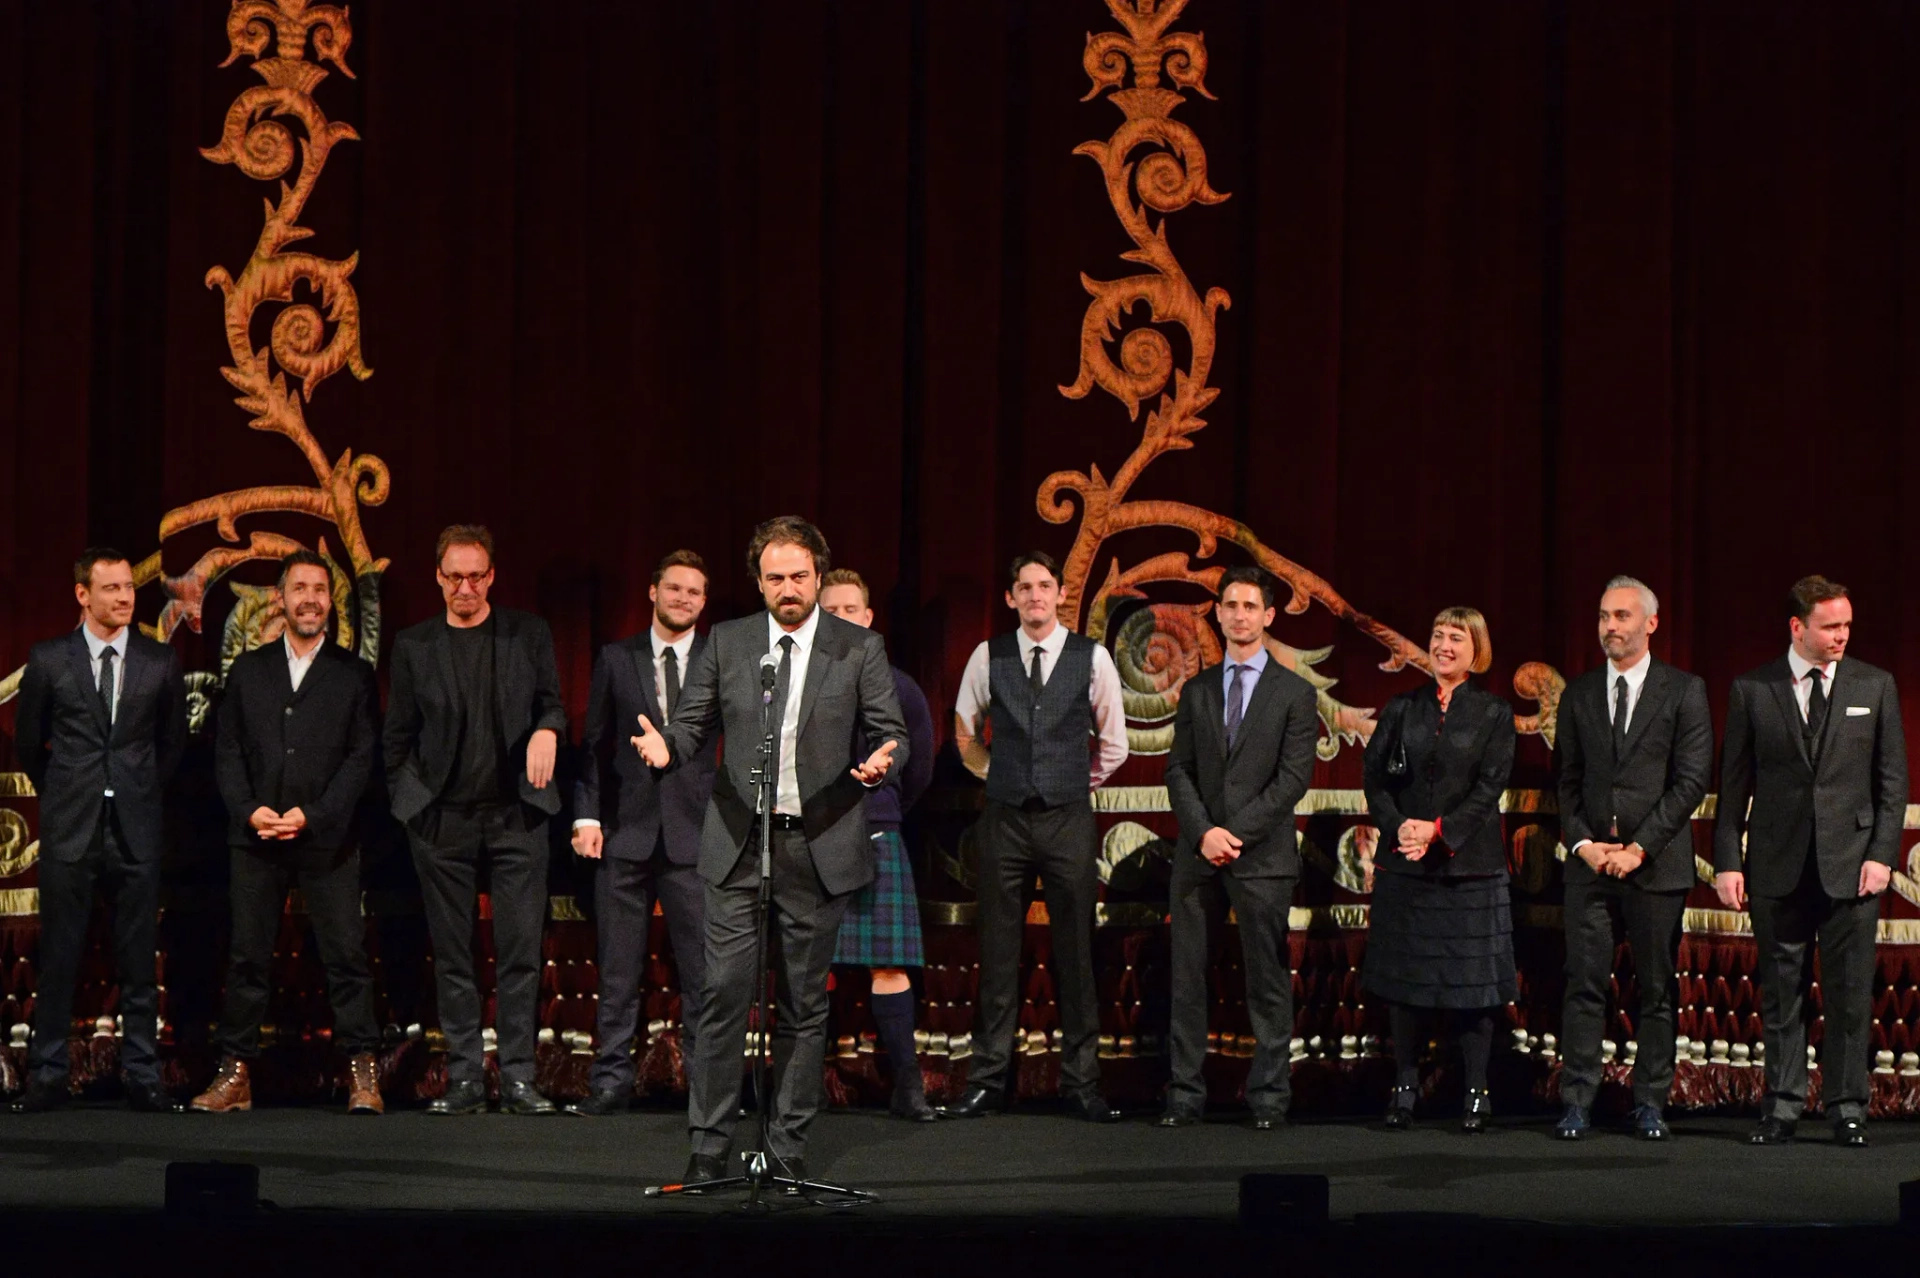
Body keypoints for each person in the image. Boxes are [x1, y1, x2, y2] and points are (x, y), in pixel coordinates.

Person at [632, 516, 907, 1188]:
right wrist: (669, 747)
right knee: (724, 993)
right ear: (758, 582)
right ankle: (708, 1146)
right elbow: (693, 721)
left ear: (818, 575)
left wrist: (881, 762)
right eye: (775, 577)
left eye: (799, 576)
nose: (788, 588)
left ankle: (786, 1147)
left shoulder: (857, 647)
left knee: (805, 1005)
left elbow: (889, 729)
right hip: (738, 844)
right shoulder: (729, 643)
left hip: (818, 848)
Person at [1713, 576, 1906, 1148]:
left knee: (1849, 994)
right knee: (1780, 991)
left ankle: (1848, 1106)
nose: (1842, 635)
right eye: (1831, 626)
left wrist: (1882, 857)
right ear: (1797, 627)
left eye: (1847, 624)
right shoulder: (1753, 688)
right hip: (1776, 864)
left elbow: (1892, 783)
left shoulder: (1875, 686)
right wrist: (1728, 861)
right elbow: (1733, 786)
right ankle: (1782, 1105)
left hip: (1853, 868)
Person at [193, 549, 385, 1115]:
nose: (309, 599)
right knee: (248, 957)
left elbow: (361, 759)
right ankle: (235, 1074)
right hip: (254, 837)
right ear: (280, 597)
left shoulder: (354, 675)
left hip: (326, 839)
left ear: (331, 602)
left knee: (346, 956)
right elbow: (226, 752)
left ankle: (362, 1073)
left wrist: (315, 814)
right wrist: (250, 809)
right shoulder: (249, 671)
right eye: (299, 588)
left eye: (319, 590)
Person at [940, 551, 1130, 1122]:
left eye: (1044, 586)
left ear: (1061, 593)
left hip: (1067, 818)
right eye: (1024, 587)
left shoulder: (1091, 657)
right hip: (1004, 820)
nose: (1035, 596)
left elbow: (1115, 744)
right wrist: (998, 776)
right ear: (1011, 597)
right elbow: (965, 731)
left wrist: (1070, 782)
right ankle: (988, 1081)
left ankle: (1081, 1084)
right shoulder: (988, 654)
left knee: (1075, 951)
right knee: (998, 953)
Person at [384, 525, 567, 1116]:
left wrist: (547, 730)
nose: (466, 586)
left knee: (519, 952)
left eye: (476, 575)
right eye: (454, 576)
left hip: (517, 815)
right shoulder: (414, 646)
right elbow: (397, 737)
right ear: (438, 578)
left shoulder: (527, 634)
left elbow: (553, 704)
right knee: (454, 954)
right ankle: (464, 1079)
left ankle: (517, 1078)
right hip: (442, 820)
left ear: (492, 576)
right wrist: (409, 805)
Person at [11, 547, 187, 1114]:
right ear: (83, 594)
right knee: (60, 959)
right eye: (111, 588)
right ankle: (48, 1074)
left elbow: (171, 745)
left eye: (129, 587)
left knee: (138, 961)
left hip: (135, 828)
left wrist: (135, 790)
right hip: (71, 829)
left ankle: (142, 1074)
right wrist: (69, 791)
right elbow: (29, 744)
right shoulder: (49, 660)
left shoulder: (159, 662)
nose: (125, 597)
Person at [1159, 566, 1319, 1131]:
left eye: (1250, 606)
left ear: (1268, 616)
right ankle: (1184, 1096)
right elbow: (1177, 769)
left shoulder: (1296, 693)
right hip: (1198, 858)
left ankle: (1270, 1099)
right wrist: (1204, 832)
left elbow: (1292, 779)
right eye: (1230, 605)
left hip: (1263, 861)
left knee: (1267, 983)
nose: (1240, 614)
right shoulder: (1198, 689)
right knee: (1187, 981)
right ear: (1219, 613)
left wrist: (1236, 834)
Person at [1552, 576, 1711, 1141]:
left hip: (1657, 866)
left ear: (1650, 623)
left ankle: (1650, 1103)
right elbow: (1566, 784)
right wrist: (1585, 845)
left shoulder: (1684, 691)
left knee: (1656, 988)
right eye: (1602, 616)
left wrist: (1640, 848)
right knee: (1585, 985)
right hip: (1590, 866)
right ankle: (1577, 1100)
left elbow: (1691, 782)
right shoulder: (1579, 694)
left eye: (1621, 616)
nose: (1610, 627)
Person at [567, 550, 718, 1116]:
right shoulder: (616, 657)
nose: (683, 599)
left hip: (696, 839)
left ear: (704, 602)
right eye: (673, 588)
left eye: (694, 592)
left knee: (704, 975)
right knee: (619, 968)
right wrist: (586, 815)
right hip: (625, 836)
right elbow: (595, 747)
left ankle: (708, 1088)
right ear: (652, 592)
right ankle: (610, 1081)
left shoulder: (719, 658)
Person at [1362, 606, 1517, 1133]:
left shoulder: (1494, 714)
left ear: (1477, 649)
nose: (1444, 645)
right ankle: (1404, 1090)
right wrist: (1400, 827)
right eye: (1437, 635)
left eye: (1456, 637)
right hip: (1405, 870)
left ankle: (1476, 1092)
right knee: (1406, 984)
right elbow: (1375, 780)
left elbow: (1488, 790)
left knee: (1473, 988)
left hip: (1469, 871)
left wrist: (1437, 831)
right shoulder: (1402, 708)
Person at [819, 568, 938, 1121]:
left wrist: (883, 811)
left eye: (851, 610)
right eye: (832, 610)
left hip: (874, 834)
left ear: (869, 620)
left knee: (887, 965)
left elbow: (918, 768)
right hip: (811, 838)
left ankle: (907, 1087)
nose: (842, 618)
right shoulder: (795, 685)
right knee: (805, 965)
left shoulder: (899, 686)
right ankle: (800, 1088)